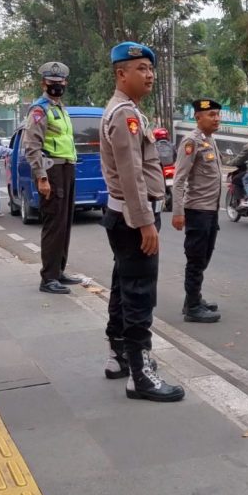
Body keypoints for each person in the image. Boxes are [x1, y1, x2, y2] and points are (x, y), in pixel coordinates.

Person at [100, 41, 183, 403]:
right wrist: (146, 222)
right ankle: (141, 375)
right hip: (134, 219)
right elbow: (132, 173)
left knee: (123, 286)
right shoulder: (124, 114)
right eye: (140, 69)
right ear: (121, 73)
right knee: (138, 295)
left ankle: (119, 357)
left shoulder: (128, 110)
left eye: (150, 69)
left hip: (125, 216)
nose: (149, 75)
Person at [23, 61, 80, 295]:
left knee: (65, 223)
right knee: (53, 224)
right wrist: (41, 177)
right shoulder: (39, 110)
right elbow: (32, 146)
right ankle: (48, 278)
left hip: (67, 168)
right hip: (52, 170)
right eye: (52, 83)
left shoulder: (60, 108)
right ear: (43, 84)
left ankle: (58, 271)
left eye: (60, 83)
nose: (57, 86)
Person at [171, 99, 223, 324]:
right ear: (198, 117)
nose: (216, 118)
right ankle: (192, 308)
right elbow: (179, 179)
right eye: (211, 114)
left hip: (211, 210)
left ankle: (194, 298)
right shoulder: (191, 142)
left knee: (204, 256)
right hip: (197, 210)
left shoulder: (210, 140)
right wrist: (177, 212)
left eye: (217, 114)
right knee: (195, 259)